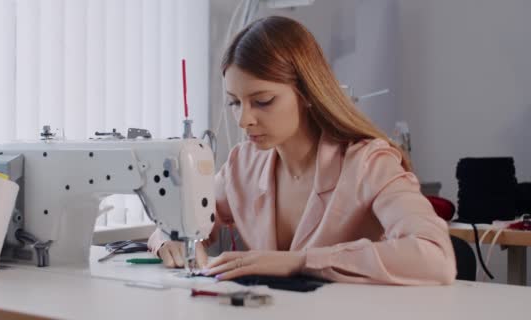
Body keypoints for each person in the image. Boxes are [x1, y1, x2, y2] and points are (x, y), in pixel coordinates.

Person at [148, 16, 456, 285]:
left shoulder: (369, 163)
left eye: (263, 101)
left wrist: (301, 261)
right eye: (234, 102)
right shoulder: (243, 165)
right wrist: (170, 241)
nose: (244, 120)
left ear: (307, 94)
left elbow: (434, 255)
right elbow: (179, 219)